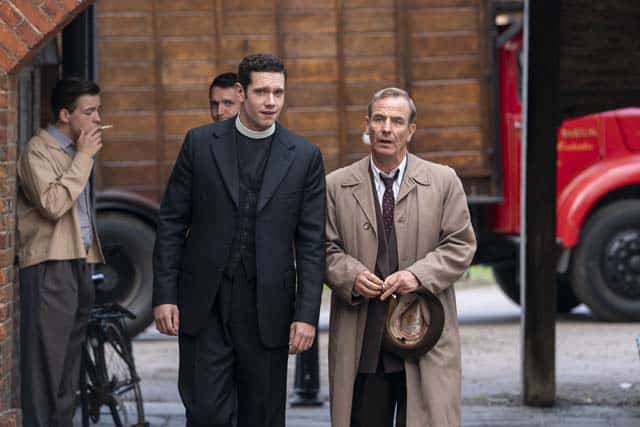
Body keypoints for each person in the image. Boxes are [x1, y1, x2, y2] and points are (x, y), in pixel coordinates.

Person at [153, 53, 326, 427]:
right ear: (241, 92)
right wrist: (165, 294)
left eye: (278, 92)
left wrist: (306, 315)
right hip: (205, 303)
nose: (271, 101)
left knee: (261, 416)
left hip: (268, 307)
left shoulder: (305, 156)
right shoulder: (200, 143)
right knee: (206, 413)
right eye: (261, 91)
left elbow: (312, 244)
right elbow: (171, 223)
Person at [325, 87, 477, 427]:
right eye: (379, 119)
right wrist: (350, 276)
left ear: (411, 130)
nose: (386, 128)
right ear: (366, 125)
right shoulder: (336, 185)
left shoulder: (443, 181)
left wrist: (417, 276)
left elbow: (460, 244)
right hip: (363, 340)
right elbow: (323, 249)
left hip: (425, 333)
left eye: (396, 121)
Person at [17, 78, 105, 427]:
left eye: (99, 110)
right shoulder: (37, 150)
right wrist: (83, 158)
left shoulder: (74, 152)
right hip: (50, 264)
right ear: (66, 115)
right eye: (89, 111)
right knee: (45, 366)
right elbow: (52, 205)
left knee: (70, 366)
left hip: (79, 261)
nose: (97, 119)